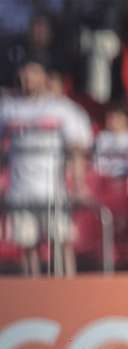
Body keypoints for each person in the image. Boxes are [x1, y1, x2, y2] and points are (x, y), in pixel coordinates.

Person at [0, 59, 92, 276]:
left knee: (60, 242)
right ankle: (30, 293)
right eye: (24, 74)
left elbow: (77, 149)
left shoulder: (62, 109)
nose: (28, 79)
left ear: (44, 77)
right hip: (20, 191)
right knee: (26, 244)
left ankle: (68, 289)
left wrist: (78, 184)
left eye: (33, 73)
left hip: (53, 190)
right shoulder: (8, 109)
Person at [94, 104, 128, 178]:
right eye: (108, 117)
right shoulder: (102, 137)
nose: (108, 121)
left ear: (124, 119)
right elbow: (97, 164)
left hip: (125, 180)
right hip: (104, 180)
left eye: (112, 118)